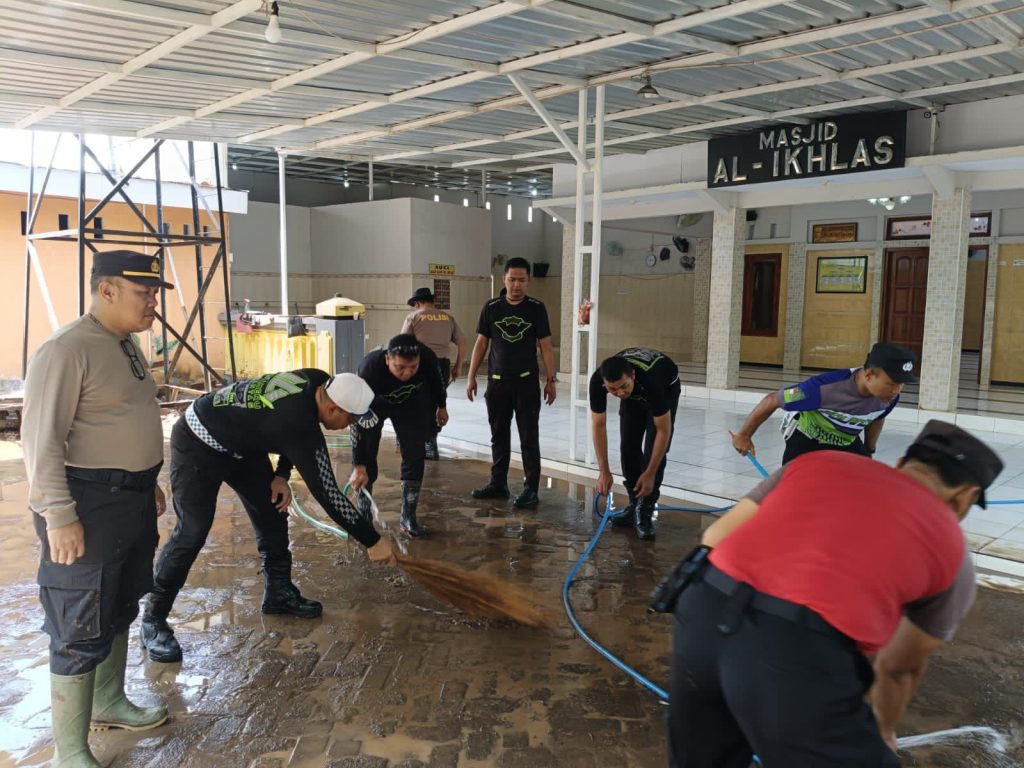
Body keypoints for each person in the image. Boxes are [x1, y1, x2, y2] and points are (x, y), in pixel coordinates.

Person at [667, 420, 1003, 767]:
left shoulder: (816, 462)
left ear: (902, 462)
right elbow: (897, 667)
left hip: (702, 608)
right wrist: (884, 731)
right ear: (966, 496)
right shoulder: (953, 553)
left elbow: (715, 537)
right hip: (793, 650)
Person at [22, 250, 175, 766]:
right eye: (144, 294)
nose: (152, 303)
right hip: (85, 503)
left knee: (119, 603)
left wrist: (145, 483)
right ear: (107, 290)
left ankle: (108, 701)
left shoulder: (124, 342)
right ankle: (69, 751)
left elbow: (123, 419)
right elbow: (40, 441)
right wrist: (58, 515)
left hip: (129, 500)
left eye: (154, 294)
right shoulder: (66, 349)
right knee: (78, 618)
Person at [140, 370, 398, 664]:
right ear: (332, 409)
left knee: (273, 510)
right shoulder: (298, 424)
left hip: (244, 445)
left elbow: (294, 427)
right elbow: (328, 493)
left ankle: (278, 592)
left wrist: (281, 475)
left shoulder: (318, 382)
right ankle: (153, 618)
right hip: (198, 441)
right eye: (349, 420)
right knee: (193, 531)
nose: (349, 426)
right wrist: (372, 540)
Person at [730, 341, 916, 464]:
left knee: (862, 484)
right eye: (892, 383)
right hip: (807, 438)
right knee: (795, 489)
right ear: (868, 375)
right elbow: (773, 399)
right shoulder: (821, 388)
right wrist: (744, 436)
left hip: (845, 441)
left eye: (901, 384)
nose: (897, 390)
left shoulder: (889, 396)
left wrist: (868, 449)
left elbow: (877, 417)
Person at [466, 257, 556, 509]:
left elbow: (546, 345)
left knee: (529, 437)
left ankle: (531, 489)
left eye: (522, 280)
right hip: (497, 383)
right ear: (503, 279)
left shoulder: (536, 308)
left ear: (528, 281)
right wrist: (471, 376)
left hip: (526, 383)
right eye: (512, 279)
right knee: (498, 435)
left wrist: (550, 379)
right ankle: (498, 483)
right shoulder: (492, 307)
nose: (517, 285)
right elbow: (481, 343)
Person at [348, 334, 448, 538]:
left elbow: (437, 382)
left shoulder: (427, 357)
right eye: (400, 367)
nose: (407, 373)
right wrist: (358, 464)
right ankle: (363, 515)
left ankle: (408, 517)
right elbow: (358, 422)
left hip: (410, 404)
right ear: (388, 359)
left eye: (413, 367)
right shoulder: (369, 369)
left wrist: (442, 406)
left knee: (415, 453)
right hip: (374, 406)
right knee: (368, 452)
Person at [590, 348, 681, 540]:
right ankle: (634, 505)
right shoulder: (598, 382)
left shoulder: (653, 381)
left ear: (632, 375)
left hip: (665, 387)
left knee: (653, 451)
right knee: (628, 446)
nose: (620, 393)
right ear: (604, 383)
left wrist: (650, 473)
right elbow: (598, 425)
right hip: (636, 394)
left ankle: (645, 510)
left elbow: (663, 431)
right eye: (613, 389)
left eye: (623, 386)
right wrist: (604, 471)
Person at [401, 287, 467, 460]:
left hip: (420, 364)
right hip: (442, 365)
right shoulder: (447, 317)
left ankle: (416, 440)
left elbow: (402, 343)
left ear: (417, 303)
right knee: (437, 402)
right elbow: (462, 342)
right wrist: (458, 365)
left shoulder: (413, 317)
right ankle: (431, 442)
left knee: (418, 401)